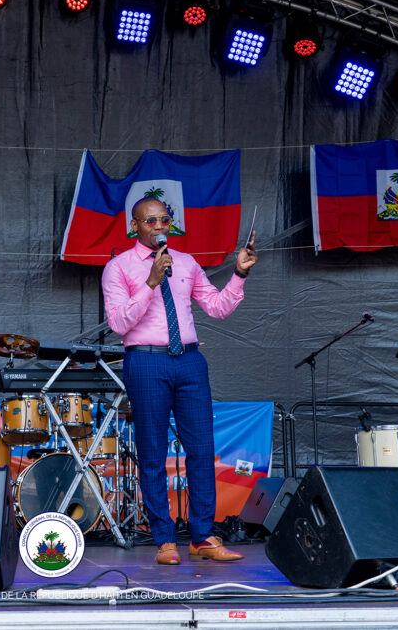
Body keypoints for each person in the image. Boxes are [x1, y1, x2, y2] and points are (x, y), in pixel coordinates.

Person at [101, 196, 257, 565]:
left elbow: (217, 308)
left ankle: (202, 536)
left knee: (201, 449)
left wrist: (239, 274)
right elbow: (119, 323)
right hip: (146, 360)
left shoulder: (186, 262)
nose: (159, 227)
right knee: (152, 452)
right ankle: (164, 539)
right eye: (150, 221)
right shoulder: (118, 267)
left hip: (189, 361)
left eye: (164, 220)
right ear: (134, 226)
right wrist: (151, 282)